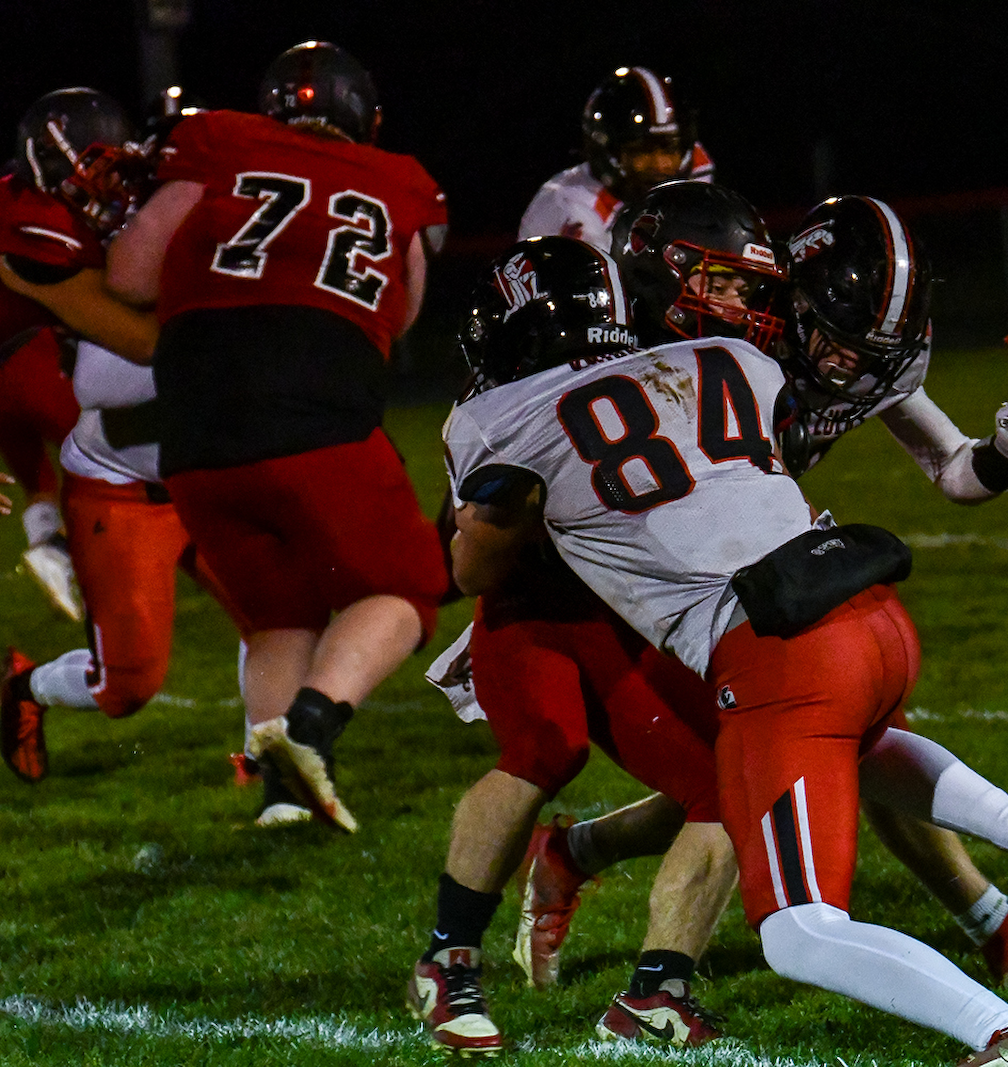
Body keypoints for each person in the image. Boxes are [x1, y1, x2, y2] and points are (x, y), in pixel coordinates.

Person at [420, 223, 1008, 1067]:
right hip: (869, 609)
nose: (739, 299)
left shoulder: (497, 418)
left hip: (774, 647)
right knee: (847, 748)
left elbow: (470, 568)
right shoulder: (735, 360)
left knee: (800, 931)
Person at [105, 42, 450, 830]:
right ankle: (311, 726)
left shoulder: (218, 140)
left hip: (193, 428)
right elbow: (400, 316)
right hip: (314, 402)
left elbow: (129, 274)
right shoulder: (402, 178)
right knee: (404, 591)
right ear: (366, 119)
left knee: (280, 617)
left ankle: (283, 800)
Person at [0, 87, 188, 781]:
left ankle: (272, 772)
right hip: (59, 402)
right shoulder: (30, 228)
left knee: (275, 610)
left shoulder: (63, 216)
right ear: (49, 174)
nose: (112, 190)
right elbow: (140, 339)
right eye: (96, 173)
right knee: (127, 683)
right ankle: (22, 684)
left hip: (173, 449)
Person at [516, 65, 713, 248]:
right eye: (642, 151)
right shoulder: (573, 208)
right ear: (609, 151)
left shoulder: (696, 166)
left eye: (669, 149)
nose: (661, 164)